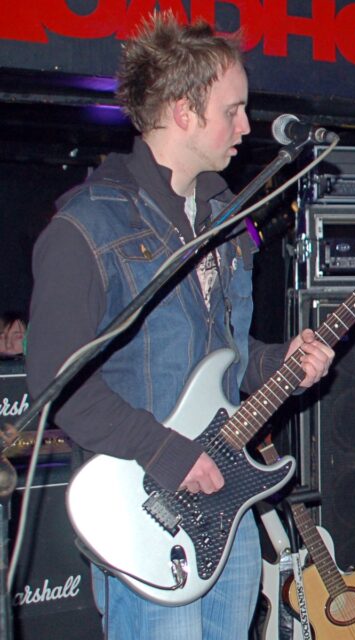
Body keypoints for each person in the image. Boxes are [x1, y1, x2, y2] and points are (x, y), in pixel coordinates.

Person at [25, 13, 334, 639]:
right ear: (183, 112)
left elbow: (226, 358)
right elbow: (56, 383)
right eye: (233, 110)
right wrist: (164, 450)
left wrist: (283, 363)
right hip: (147, 511)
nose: (246, 128)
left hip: (226, 498)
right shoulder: (87, 226)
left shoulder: (224, 219)